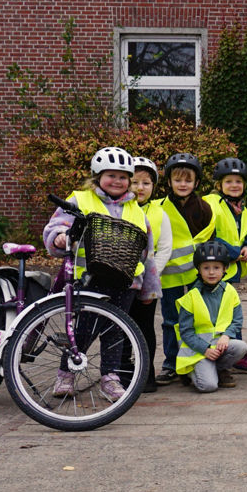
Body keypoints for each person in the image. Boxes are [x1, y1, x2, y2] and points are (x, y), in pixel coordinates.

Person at [43, 147, 158, 401]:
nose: (117, 181)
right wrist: (59, 237)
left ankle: (110, 378)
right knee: (83, 329)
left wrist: (149, 288)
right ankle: (66, 372)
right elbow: (56, 225)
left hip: (126, 282)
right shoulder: (81, 200)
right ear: (97, 176)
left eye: (123, 177)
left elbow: (146, 253)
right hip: (89, 278)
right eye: (111, 175)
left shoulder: (137, 211)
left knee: (116, 331)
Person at [202, 156, 247, 373]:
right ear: (219, 185)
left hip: (231, 272)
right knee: (218, 316)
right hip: (214, 270)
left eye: (238, 182)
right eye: (229, 182)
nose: (234, 185)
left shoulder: (244, 210)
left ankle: (235, 355)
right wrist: (234, 253)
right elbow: (210, 236)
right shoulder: (211, 204)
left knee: (232, 313)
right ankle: (225, 358)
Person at [155, 153, 214, 385]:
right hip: (169, 278)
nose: (182, 184)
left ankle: (195, 360)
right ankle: (171, 363)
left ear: (197, 183)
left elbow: (210, 241)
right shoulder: (159, 208)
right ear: (168, 181)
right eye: (177, 179)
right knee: (171, 321)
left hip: (197, 277)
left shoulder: (204, 209)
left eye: (188, 180)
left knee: (198, 320)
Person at [174, 243, 247, 392]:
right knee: (208, 386)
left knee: (242, 347)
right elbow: (186, 332)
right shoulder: (191, 297)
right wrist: (205, 349)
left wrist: (227, 336)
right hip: (197, 350)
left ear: (224, 269)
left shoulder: (230, 291)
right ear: (199, 270)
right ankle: (192, 370)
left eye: (216, 267)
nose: (211, 272)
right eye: (206, 268)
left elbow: (237, 320)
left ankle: (220, 369)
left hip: (219, 345)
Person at [128, 156, 171, 392]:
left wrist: (152, 274)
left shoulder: (159, 213)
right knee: (121, 327)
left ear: (154, 186)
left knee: (145, 328)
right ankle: (123, 372)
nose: (140, 188)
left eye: (146, 183)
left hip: (147, 283)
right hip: (123, 281)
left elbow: (165, 247)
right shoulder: (119, 209)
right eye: (134, 182)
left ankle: (146, 374)